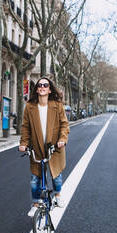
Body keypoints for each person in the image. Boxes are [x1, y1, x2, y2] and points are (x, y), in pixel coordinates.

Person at [19, 77, 70, 217]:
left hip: (54, 147)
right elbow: (25, 127)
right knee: (35, 180)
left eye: (45, 85)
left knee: (56, 176)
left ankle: (58, 195)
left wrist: (62, 140)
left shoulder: (57, 105)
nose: (42, 87)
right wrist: (23, 143)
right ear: (36, 89)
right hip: (36, 148)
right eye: (39, 85)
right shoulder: (30, 106)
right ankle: (35, 204)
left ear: (49, 89)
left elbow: (64, 125)